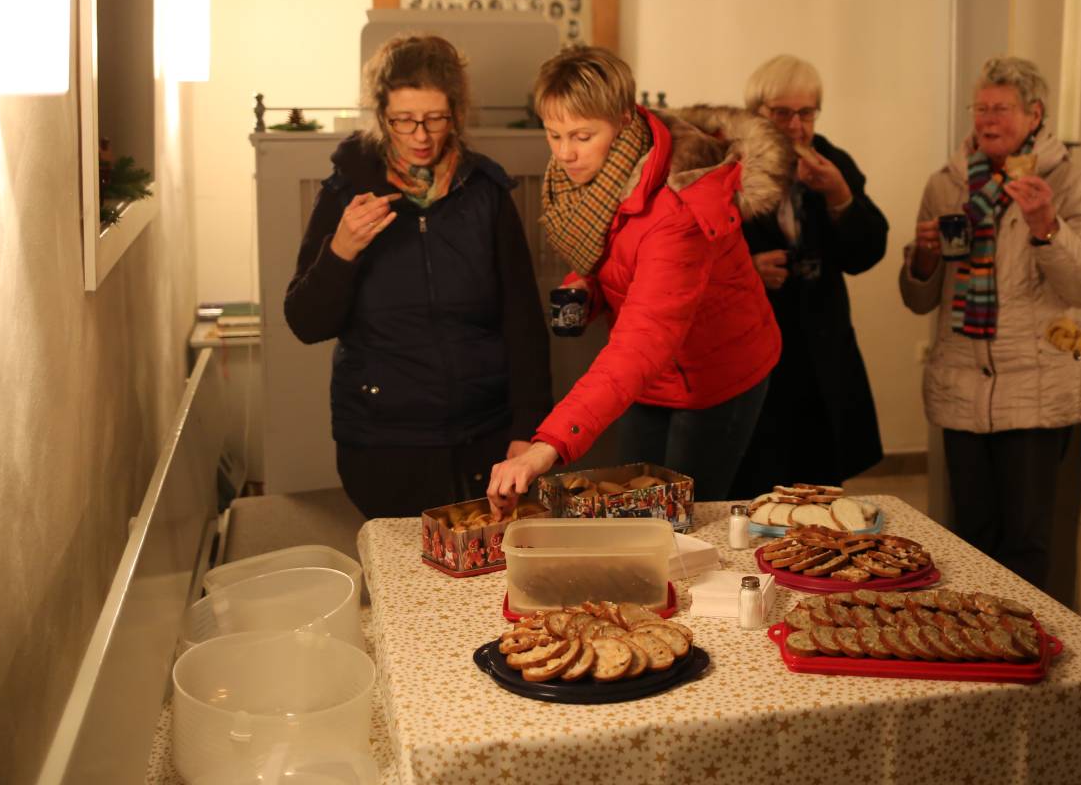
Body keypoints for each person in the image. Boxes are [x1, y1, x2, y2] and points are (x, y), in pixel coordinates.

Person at [486, 47, 791, 507]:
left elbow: (643, 338)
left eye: (581, 136)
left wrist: (546, 446)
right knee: (633, 506)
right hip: (653, 374)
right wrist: (586, 287)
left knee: (681, 518)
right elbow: (614, 245)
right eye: (554, 135)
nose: (565, 153)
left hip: (716, 372)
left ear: (624, 119)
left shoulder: (676, 205)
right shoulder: (598, 172)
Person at [284, 35, 551, 518]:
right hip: (383, 441)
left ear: (457, 112)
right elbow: (305, 323)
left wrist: (528, 431)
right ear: (381, 115)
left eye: (435, 118)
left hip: (483, 437)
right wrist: (341, 251)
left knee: (488, 576)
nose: (421, 135)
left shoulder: (485, 192)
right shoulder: (347, 190)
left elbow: (523, 321)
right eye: (404, 120)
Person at [898, 56, 1081, 591]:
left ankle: (1028, 653)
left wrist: (1047, 227)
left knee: (1028, 543)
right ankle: (977, 652)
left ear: (1035, 114)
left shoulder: (1070, 183)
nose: (988, 119)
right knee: (969, 540)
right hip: (962, 387)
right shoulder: (947, 185)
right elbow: (920, 300)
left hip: (1037, 389)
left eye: (1002, 108)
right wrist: (921, 259)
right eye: (981, 108)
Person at [732, 54, 888, 495]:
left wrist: (840, 196)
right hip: (752, 362)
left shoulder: (833, 162)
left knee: (820, 495)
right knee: (753, 490)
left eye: (806, 113)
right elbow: (695, 256)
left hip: (820, 358)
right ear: (755, 114)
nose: (795, 125)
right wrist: (748, 271)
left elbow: (867, 252)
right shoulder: (728, 168)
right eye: (781, 112)